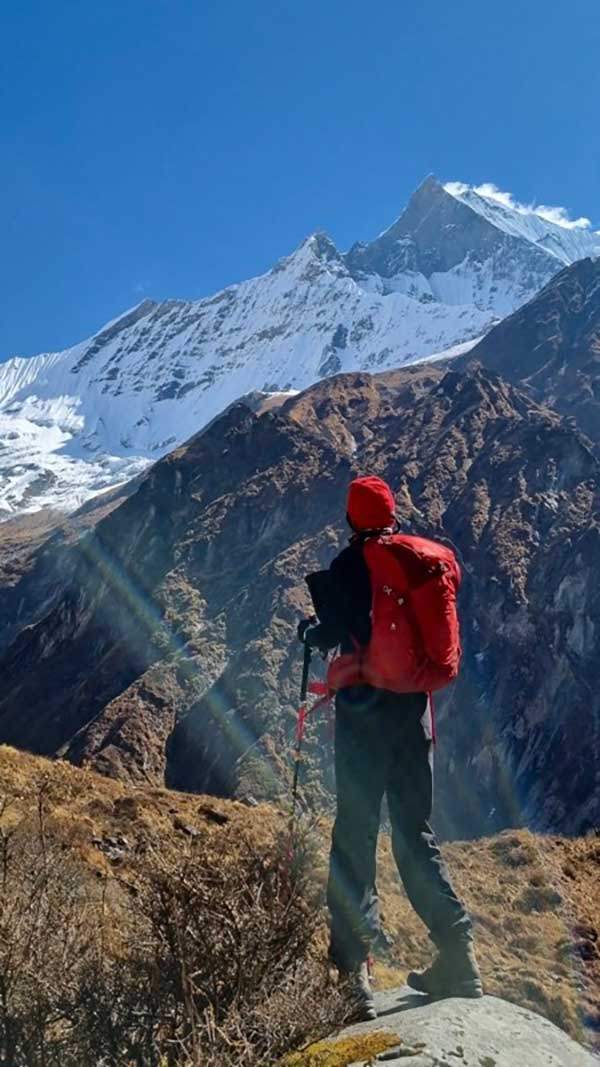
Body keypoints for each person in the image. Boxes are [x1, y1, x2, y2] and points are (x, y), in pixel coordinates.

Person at [298, 475, 482, 1021]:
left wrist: (313, 633)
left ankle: (354, 973)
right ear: (391, 514)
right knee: (414, 834)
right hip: (413, 714)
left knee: (354, 834)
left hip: (363, 716)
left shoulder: (348, 568)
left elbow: (336, 633)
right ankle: (458, 956)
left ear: (352, 520)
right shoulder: (418, 562)